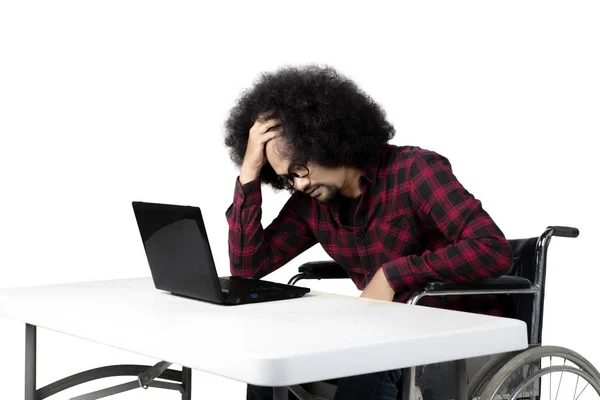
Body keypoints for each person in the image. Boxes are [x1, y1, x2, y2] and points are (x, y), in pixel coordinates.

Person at [223, 64, 513, 400]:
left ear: (327, 140)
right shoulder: (312, 204)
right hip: (383, 333)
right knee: (269, 360)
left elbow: (492, 249)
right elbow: (247, 270)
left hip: (460, 333)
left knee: (370, 359)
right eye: (288, 179)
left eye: (300, 168)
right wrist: (249, 172)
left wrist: (394, 275)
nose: (299, 184)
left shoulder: (414, 171)